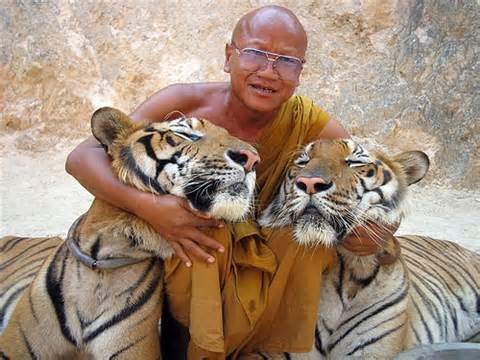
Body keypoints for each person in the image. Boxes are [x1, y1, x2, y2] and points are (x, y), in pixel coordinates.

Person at [66, 5, 398, 358]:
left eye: (286, 61)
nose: (269, 72)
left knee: (308, 237)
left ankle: (271, 349)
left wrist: (384, 226)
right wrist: (151, 208)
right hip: (196, 248)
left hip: (267, 253)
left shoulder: (310, 122)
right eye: (255, 54)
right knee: (207, 231)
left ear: (300, 72)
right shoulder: (184, 102)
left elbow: (370, 180)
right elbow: (82, 157)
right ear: (229, 56)